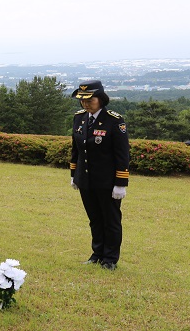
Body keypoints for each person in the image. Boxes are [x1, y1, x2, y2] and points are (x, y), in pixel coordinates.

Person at [70, 80, 130, 271]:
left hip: (107, 182)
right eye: (83, 100)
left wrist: (121, 182)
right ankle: (97, 254)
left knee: (111, 221)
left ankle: (110, 259)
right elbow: (76, 150)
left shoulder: (114, 120)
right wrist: (74, 174)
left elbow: (122, 154)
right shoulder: (79, 118)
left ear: (101, 99)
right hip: (86, 180)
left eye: (90, 100)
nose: (86, 104)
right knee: (94, 219)